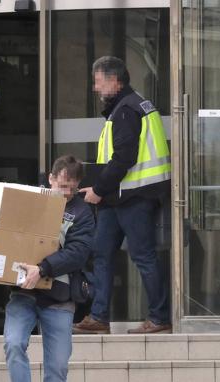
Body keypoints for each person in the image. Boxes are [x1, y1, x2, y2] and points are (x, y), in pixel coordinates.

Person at [74, 56, 171, 334]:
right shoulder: (128, 106)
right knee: (101, 253)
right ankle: (99, 316)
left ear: (114, 80)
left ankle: (159, 317)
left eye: (99, 81)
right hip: (119, 197)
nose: (95, 88)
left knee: (142, 256)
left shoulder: (127, 110)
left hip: (133, 196)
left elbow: (123, 158)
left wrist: (98, 190)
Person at [3, 155, 95, 382]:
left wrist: (42, 269)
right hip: (24, 291)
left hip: (60, 296)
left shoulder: (82, 212)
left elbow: (78, 253)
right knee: (13, 344)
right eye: (62, 186)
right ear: (50, 178)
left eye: (72, 189)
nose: (66, 193)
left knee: (58, 367)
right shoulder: (30, 200)